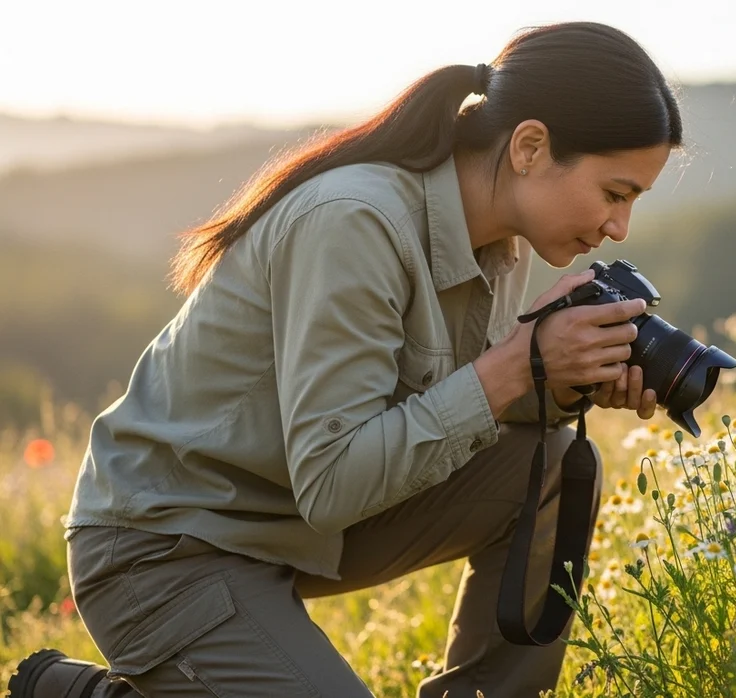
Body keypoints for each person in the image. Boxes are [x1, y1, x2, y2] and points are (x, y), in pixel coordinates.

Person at [9, 20, 681, 698]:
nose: (619, 227)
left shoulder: (501, 246)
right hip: (167, 549)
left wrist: (559, 381)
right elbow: (334, 480)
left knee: (556, 464)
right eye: (615, 193)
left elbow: (432, 406)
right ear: (531, 147)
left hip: (289, 521)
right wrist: (514, 365)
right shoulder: (354, 220)